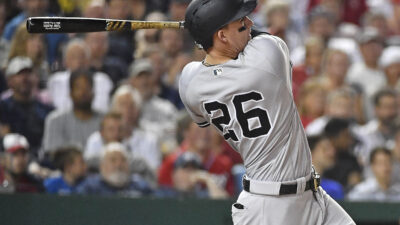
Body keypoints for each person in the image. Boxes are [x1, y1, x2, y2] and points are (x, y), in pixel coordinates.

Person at [179, 0, 354, 224]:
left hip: (309, 196)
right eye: (241, 22)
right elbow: (261, 36)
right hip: (270, 208)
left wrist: (204, 30)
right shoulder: (266, 58)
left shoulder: (190, 83)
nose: (250, 23)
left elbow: (202, 108)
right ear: (222, 36)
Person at [0, 57, 53, 156]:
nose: (25, 78)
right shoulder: (3, 108)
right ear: (9, 81)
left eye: (28, 73)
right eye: (19, 74)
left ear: (36, 78)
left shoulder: (47, 111)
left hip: (41, 160)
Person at [42, 69, 103, 153]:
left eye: (87, 88)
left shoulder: (104, 120)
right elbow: (52, 153)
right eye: (78, 88)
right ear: (70, 93)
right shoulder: (55, 120)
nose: (83, 92)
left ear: (93, 93)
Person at [77, 142, 152, 197]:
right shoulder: (89, 188)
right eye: (113, 160)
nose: (118, 165)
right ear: (102, 166)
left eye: (123, 160)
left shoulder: (140, 186)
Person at [156, 152, 228, 199]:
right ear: (174, 174)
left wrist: (208, 179)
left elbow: (222, 205)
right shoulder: (163, 194)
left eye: (193, 170)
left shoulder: (202, 196)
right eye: (185, 169)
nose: (189, 174)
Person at [308, 135, 344, 200]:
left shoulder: (334, 188)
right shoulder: (298, 187)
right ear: (309, 153)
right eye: (325, 149)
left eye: (332, 149)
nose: (332, 153)